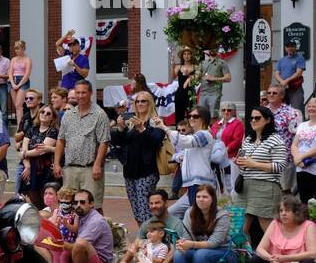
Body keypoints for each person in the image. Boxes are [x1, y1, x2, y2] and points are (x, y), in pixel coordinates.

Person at [234, 105, 286, 249]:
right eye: (251, 118)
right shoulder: (248, 139)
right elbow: (245, 163)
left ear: (268, 120)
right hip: (245, 186)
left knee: (268, 227)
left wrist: (254, 163)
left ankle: (283, 259)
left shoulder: (276, 140)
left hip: (265, 186)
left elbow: (280, 166)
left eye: (257, 118)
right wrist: (240, 162)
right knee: (238, 228)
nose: (253, 120)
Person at [110, 91, 167, 223]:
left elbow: (155, 141)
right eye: (137, 101)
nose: (140, 104)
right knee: (136, 209)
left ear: (150, 103)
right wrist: (120, 129)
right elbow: (119, 142)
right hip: (129, 171)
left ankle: (152, 238)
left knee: (146, 209)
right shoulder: (130, 121)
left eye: (143, 101)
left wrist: (142, 129)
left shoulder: (155, 121)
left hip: (147, 171)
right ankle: (144, 236)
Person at [53, 79, 110, 209]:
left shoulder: (100, 115)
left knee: (93, 207)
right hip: (70, 169)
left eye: (83, 93)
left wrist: (97, 165)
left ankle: (99, 229)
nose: (80, 96)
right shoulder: (68, 115)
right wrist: (56, 163)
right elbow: (61, 140)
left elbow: (104, 142)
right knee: (68, 206)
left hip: (89, 169)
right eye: (77, 93)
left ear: (90, 93)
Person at [172, 184, 231, 263]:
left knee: (201, 254)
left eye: (205, 196)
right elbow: (187, 237)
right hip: (198, 250)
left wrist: (192, 244)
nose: (201, 199)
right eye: (198, 196)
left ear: (212, 199)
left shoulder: (222, 215)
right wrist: (183, 244)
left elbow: (215, 242)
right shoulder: (190, 212)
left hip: (224, 251)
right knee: (179, 254)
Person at [165, 105, 217, 219]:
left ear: (203, 118)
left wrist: (165, 128)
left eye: (195, 116)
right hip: (192, 183)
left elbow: (184, 141)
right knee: (174, 213)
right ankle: (186, 234)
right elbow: (187, 151)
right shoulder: (196, 136)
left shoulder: (205, 134)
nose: (191, 118)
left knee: (198, 216)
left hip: (200, 182)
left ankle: (198, 236)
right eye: (189, 116)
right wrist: (177, 157)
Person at [63, 189, 113, 263]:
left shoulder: (96, 221)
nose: (78, 205)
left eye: (82, 202)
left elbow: (78, 246)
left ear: (91, 204)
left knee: (80, 244)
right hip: (86, 258)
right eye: (75, 202)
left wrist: (58, 242)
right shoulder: (80, 215)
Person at [18, 103, 59, 206]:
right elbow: (23, 149)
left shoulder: (52, 131)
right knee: (28, 199)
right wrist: (27, 165)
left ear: (52, 118)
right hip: (29, 167)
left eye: (48, 113)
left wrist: (25, 153)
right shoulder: (31, 129)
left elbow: (41, 150)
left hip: (43, 170)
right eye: (42, 112)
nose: (44, 114)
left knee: (43, 199)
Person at [265, 83, 301, 192]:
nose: (271, 95)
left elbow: (297, 136)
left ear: (282, 96)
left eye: (274, 93)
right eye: (269, 93)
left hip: (283, 157)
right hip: (265, 156)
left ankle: (285, 209)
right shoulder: (262, 111)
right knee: (267, 189)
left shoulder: (291, 113)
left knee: (284, 190)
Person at [274, 40, 307, 113]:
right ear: (285, 48)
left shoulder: (300, 58)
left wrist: (286, 81)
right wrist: (282, 82)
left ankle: (300, 124)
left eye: (292, 46)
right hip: (283, 89)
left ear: (295, 47)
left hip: (295, 89)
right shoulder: (281, 60)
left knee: (297, 110)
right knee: (282, 110)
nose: (290, 48)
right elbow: (276, 73)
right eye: (288, 46)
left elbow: (299, 73)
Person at [195, 49, 230, 118]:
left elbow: (228, 78)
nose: (212, 49)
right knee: (201, 116)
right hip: (203, 93)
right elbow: (197, 77)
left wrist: (214, 79)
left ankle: (213, 129)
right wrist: (194, 75)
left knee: (213, 117)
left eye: (214, 47)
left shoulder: (222, 63)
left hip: (215, 93)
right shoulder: (202, 63)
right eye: (211, 48)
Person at [8, 40, 32, 123]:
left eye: (18, 49)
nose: (16, 50)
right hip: (13, 81)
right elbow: (10, 72)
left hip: (23, 81)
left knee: (19, 104)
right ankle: (20, 125)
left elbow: (27, 74)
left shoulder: (27, 59)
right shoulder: (13, 59)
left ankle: (20, 126)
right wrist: (12, 83)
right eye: (15, 49)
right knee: (17, 106)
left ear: (23, 48)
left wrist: (19, 85)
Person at [173, 47, 198, 121]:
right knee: (179, 113)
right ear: (182, 56)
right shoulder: (178, 66)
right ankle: (179, 130)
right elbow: (174, 77)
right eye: (185, 54)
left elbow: (196, 79)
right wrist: (172, 66)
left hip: (191, 93)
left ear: (191, 55)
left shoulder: (195, 67)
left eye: (188, 54)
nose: (186, 56)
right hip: (180, 92)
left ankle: (192, 130)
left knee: (191, 114)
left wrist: (188, 75)